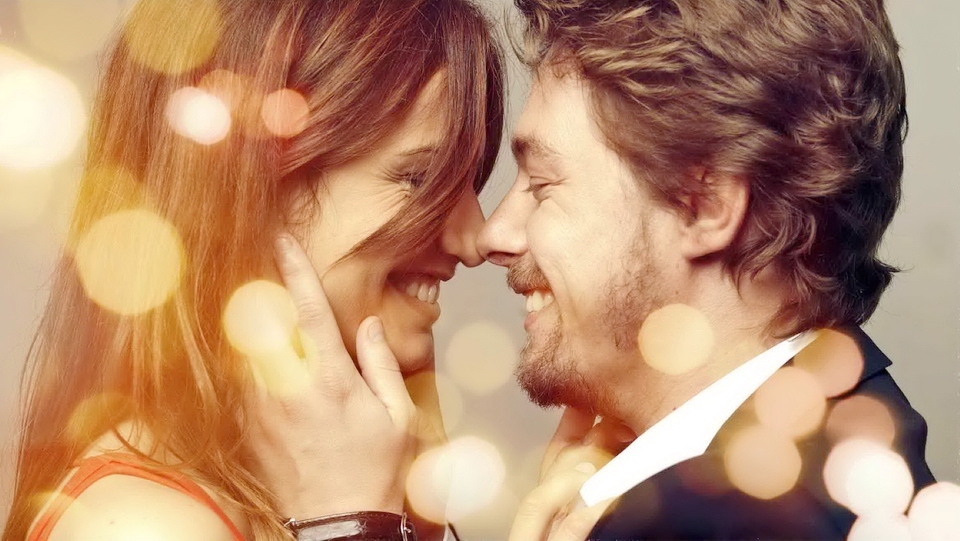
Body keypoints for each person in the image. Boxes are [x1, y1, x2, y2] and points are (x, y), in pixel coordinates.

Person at [246, 0, 937, 539]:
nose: (494, 235)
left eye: (543, 185)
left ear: (703, 207)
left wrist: (347, 524)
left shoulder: (714, 525)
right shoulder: (841, 454)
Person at [3, 0, 503, 539]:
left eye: (468, 182)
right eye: (420, 179)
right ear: (249, 196)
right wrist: (352, 520)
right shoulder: (146, 525)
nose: (475, 239)